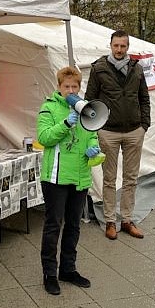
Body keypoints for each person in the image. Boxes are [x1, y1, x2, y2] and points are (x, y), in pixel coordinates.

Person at [37, 66, 102, 295]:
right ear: (59, 87)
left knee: (73, 225)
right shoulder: (49, 107)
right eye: (67, 86)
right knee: (54, 225)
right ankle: (49, 273)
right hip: (56, 177)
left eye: (75, 86)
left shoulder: (85, 108)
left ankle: (68, 268)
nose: (71, 90)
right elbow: (44, 137)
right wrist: (65, 124)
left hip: (80, 175)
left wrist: (93, 147)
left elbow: (92, 135)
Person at [85, 30, 150, 241]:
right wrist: (96, 128)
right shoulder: (99, 68)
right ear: (110, 45)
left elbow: (144, 98)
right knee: (109, 179)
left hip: (134, 130)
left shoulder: (136, 68)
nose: (119, 49)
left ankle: (127, 220)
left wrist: (144, 125)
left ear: (128, 47)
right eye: (116, 46)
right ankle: (110, 221)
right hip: (108, 132)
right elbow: (90, 100)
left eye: (123, 46)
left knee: (131, 178)